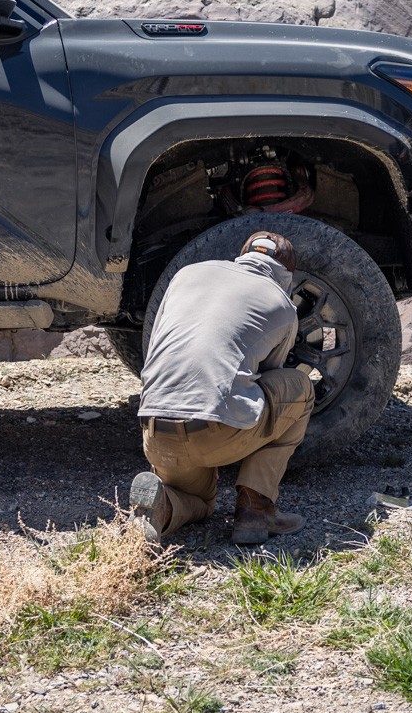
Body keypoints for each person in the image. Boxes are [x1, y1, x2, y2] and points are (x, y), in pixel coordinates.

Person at [128, 231, 313, 545]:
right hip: (217, 431)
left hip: (155, 429)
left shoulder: (186, 275)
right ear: (286, 275)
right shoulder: (281, 304)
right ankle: (256, 509)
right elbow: (268, 381)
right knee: (299, 389)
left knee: (198, 501)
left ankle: (159, 508)